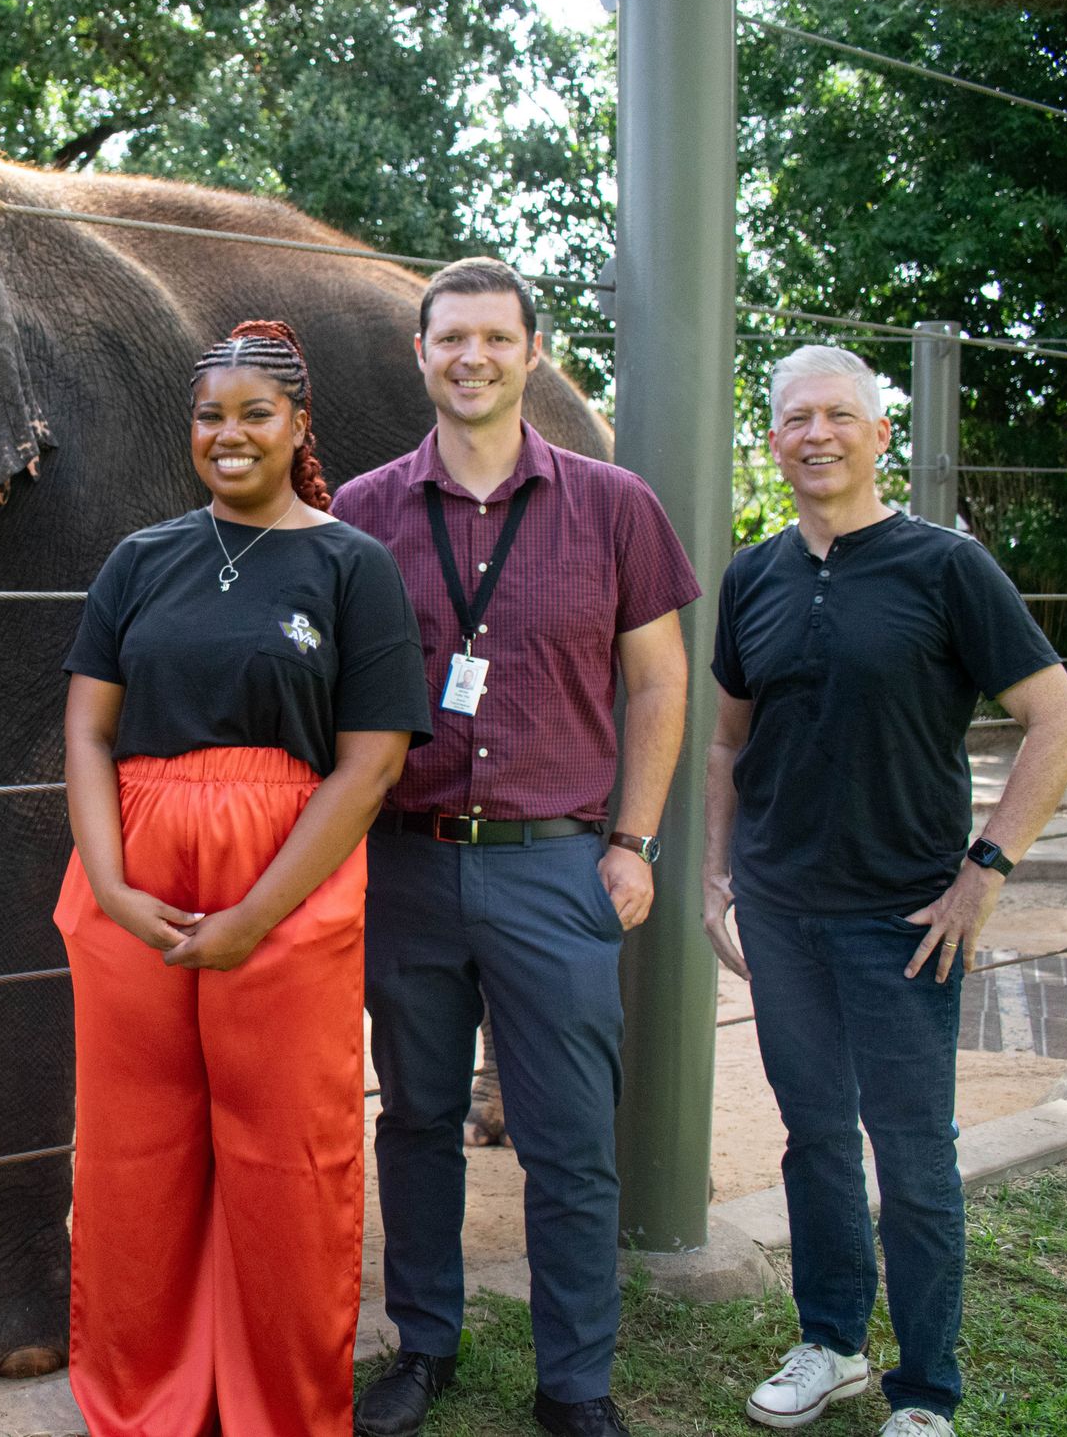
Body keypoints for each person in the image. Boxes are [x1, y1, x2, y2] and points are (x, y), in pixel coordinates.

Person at [333, 258, 700, 1437]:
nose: (472, 358)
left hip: (558, 866)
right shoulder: (361, 512)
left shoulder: (613, 504)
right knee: (417, 1120)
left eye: (495, 338)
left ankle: (573, 1380)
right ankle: (422, 1346)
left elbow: (656, 684)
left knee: (567, 1140)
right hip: (406, 863)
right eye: (450, 339)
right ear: (421, 355)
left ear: (530, 353)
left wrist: (631, 841)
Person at [701, 346, 1067, 1437]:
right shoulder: (752, 574)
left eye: (837, 416)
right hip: (781, 911)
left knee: (914, 1159)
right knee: (813, 1139)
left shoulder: (945, 567)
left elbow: (1059, 723)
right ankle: (830, 1344)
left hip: (906, 919)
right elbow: (727, 744)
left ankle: (925, 1391)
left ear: (879, 436)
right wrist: (711, 872)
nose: (815, 434)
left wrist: (985, 870)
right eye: (793, 418)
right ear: (772, 440)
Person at [54, 319, 433, 1436]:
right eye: (209, 415)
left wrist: (254, 915)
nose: (228, 434)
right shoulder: (139, 560)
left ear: (298, 425)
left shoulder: (349, 565)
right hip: (134, 871)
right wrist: (114, 889)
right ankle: (143, 1397)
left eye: (254, 414)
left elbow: (371, 764)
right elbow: (85, 732)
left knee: (288, 1151)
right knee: (135, 1147)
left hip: (289, 875)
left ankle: (278, 1401)